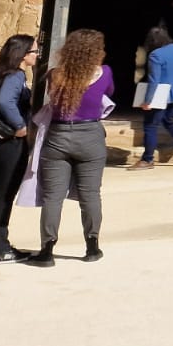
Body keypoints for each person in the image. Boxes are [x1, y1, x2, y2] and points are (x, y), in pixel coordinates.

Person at [29, 28, 113, 265]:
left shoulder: (55, 74)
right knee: (90, 195)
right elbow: (108, 92)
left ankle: (47, 251)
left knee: (52, 196)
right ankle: (92, 247)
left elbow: (54, 99)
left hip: (58, 136)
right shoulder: (104, 72)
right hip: (90, 136)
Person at [0, 34, 37, 263]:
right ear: (23, 54)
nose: (37, 55)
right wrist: (20, 127)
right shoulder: (16, 75)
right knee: (4, 194)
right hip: (8, 144)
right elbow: (5, 101)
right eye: (34, 52)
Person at [134, 24, 173, 169]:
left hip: (162, 95)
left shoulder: (156, 55)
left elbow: (154, 80)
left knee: (150, 126)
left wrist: (147, 101)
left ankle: (147, 159)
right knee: (169, 121)